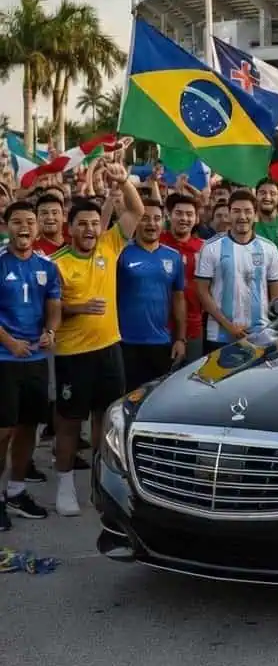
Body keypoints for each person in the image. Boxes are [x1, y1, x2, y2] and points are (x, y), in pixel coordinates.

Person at [51, 162, 143, 517]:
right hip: (73, 355)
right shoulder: (55, 263)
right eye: (82, 224)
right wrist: (77, 306)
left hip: (109, 350)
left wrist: (123, 181)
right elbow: (51, 310)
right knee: (70, 423)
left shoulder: (109, 246)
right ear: (69, 228)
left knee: (105, 422)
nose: (89, 229)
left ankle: (99, 484)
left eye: (93, 223)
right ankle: (64, 486)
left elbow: (135, 210)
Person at [0, 201, 61, 530]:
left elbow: (54, 305)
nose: (24, 227)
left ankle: (17, 491)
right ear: (7, 225)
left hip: (36, 359)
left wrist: (50, 331)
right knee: (3, 431)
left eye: (30, 221)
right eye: (17, 221)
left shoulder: (47, 265)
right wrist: (9, 341)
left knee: (28, 428)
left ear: (37, 228)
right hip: (4, 359)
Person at [194, 189, 278, 354]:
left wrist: (274, 329)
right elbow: (202, 291)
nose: (242, 216)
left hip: (260, 334)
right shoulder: (210, 247)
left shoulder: (269, 249)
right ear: (229, 214)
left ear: (255, 215)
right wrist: (228, 326)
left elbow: (276, 295)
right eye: (236, 211)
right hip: (219, 335)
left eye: (248, 211)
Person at [117, 199, 187, 391]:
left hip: (161, 343)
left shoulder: (173, 256)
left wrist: (180, 339)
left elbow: (178, 299)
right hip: (126, 343)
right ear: (136, 221)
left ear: (163, 222)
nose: (152, 224)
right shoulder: (122, 254)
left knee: (156, 400)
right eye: (145, 218)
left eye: (157, 219)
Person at [160, 192, 206, 363]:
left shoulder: (205, 248)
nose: (184, 218)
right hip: (160, 328)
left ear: (196, 219)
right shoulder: (157, 243)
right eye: (178, 213)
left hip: (193, 327)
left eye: (189, 214)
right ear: (169, 216)